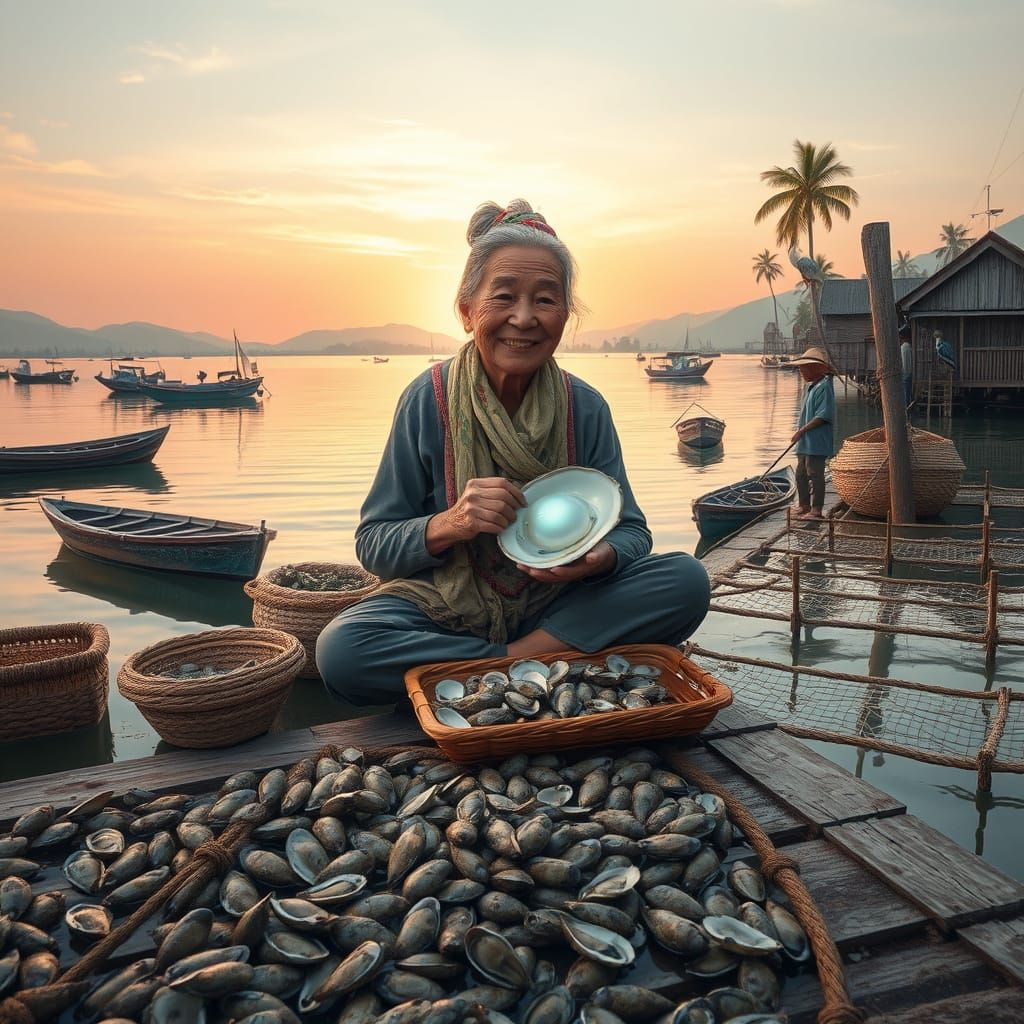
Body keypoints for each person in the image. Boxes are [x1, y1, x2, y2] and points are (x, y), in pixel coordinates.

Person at [316, 198, 711, 705]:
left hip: (562, 602)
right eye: (503, 297)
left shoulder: (584, 407)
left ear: (565, 316)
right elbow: (375, 545)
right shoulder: (427, 399)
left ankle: (499, 668)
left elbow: (633, 532)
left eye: (545, 300)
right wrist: (452, 523)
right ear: (466, 311)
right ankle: (537, 663)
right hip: (448, 607)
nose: (524, 319)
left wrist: (599, 559)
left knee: (685, 580)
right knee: (342, 650)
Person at [788, 345, 837, 521]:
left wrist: (802, 430)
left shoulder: (824, 387)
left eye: (804, 367)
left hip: (816, 440)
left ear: (815, 368)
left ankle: (816, 510)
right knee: (800, 472)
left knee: (815, 473)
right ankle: (804, 505)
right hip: (805, 440)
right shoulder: (810, 387)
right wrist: (800, 432)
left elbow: (823, 416)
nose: (801, 370)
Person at [899, 323, 913, 408]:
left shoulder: (904, 347)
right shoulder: (908, 346)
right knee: (907, 394)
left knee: (905, 395)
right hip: (909, 373)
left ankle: (906, 409)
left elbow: (904, 363)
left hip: (906, 374)